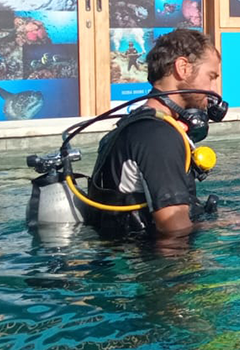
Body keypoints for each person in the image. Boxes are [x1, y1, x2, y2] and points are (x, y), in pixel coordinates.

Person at [86, 28, 223, 238]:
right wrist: (224, 227)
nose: (216, 91)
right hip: (147, 266)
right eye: (211, 77)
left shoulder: (138, 125)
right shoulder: (159, 137)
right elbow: (174, 231)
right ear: (183, 67)